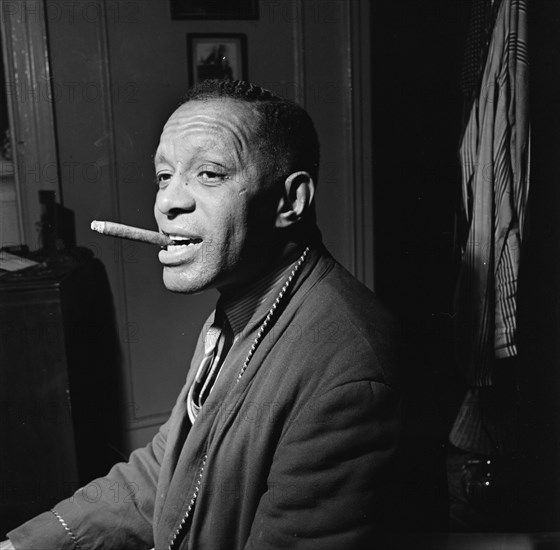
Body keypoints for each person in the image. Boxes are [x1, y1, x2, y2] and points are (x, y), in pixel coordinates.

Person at [3, 80, 402, 550]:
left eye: (210, 174)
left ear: (291, 201)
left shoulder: (348, 376)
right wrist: (26, 545)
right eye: (164, 176)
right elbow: (168, 468)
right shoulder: (242, 304)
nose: (169, 202)